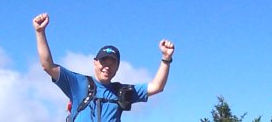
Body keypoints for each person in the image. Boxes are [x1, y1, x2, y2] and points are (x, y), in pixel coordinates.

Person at [32, 13, 175, 122]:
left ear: (118, 67)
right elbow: (47, 66)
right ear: (95, 63)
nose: (107, 66)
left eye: (112, 62)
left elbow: (157, 87)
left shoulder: (122, 92)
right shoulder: (78, 83)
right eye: (103, 61)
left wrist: (166, 58)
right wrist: (40, 32)